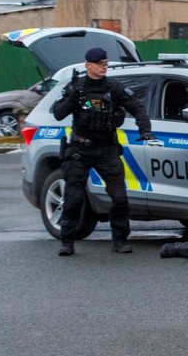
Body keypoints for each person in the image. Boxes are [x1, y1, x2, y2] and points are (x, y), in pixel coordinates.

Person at [51, 47, 155, 257]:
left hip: (106, 148)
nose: (103, 67)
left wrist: (145, 130)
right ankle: (67, 241)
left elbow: (137, 107)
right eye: (99, 64)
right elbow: (58, 114)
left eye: (105, 63)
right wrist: (71, 96)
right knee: (74, 197)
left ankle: (119, 240)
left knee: (119, 197)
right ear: (88, 65)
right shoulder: (77, 87)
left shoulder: (114, 87)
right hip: (80, 148)